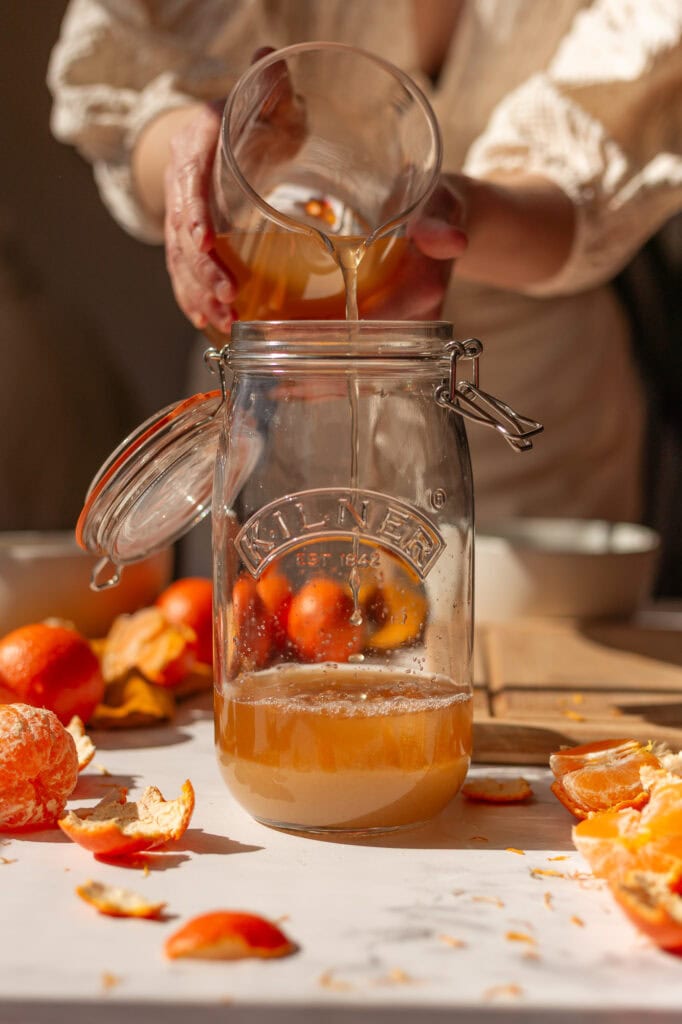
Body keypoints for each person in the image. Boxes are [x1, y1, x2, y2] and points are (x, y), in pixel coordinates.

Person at [47, 0, 682, 532]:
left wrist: (461, 217)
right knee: (264, 644)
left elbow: (614, 139)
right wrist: (206, 159)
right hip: (272, 385)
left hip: (521, 393)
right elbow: (130, 80)